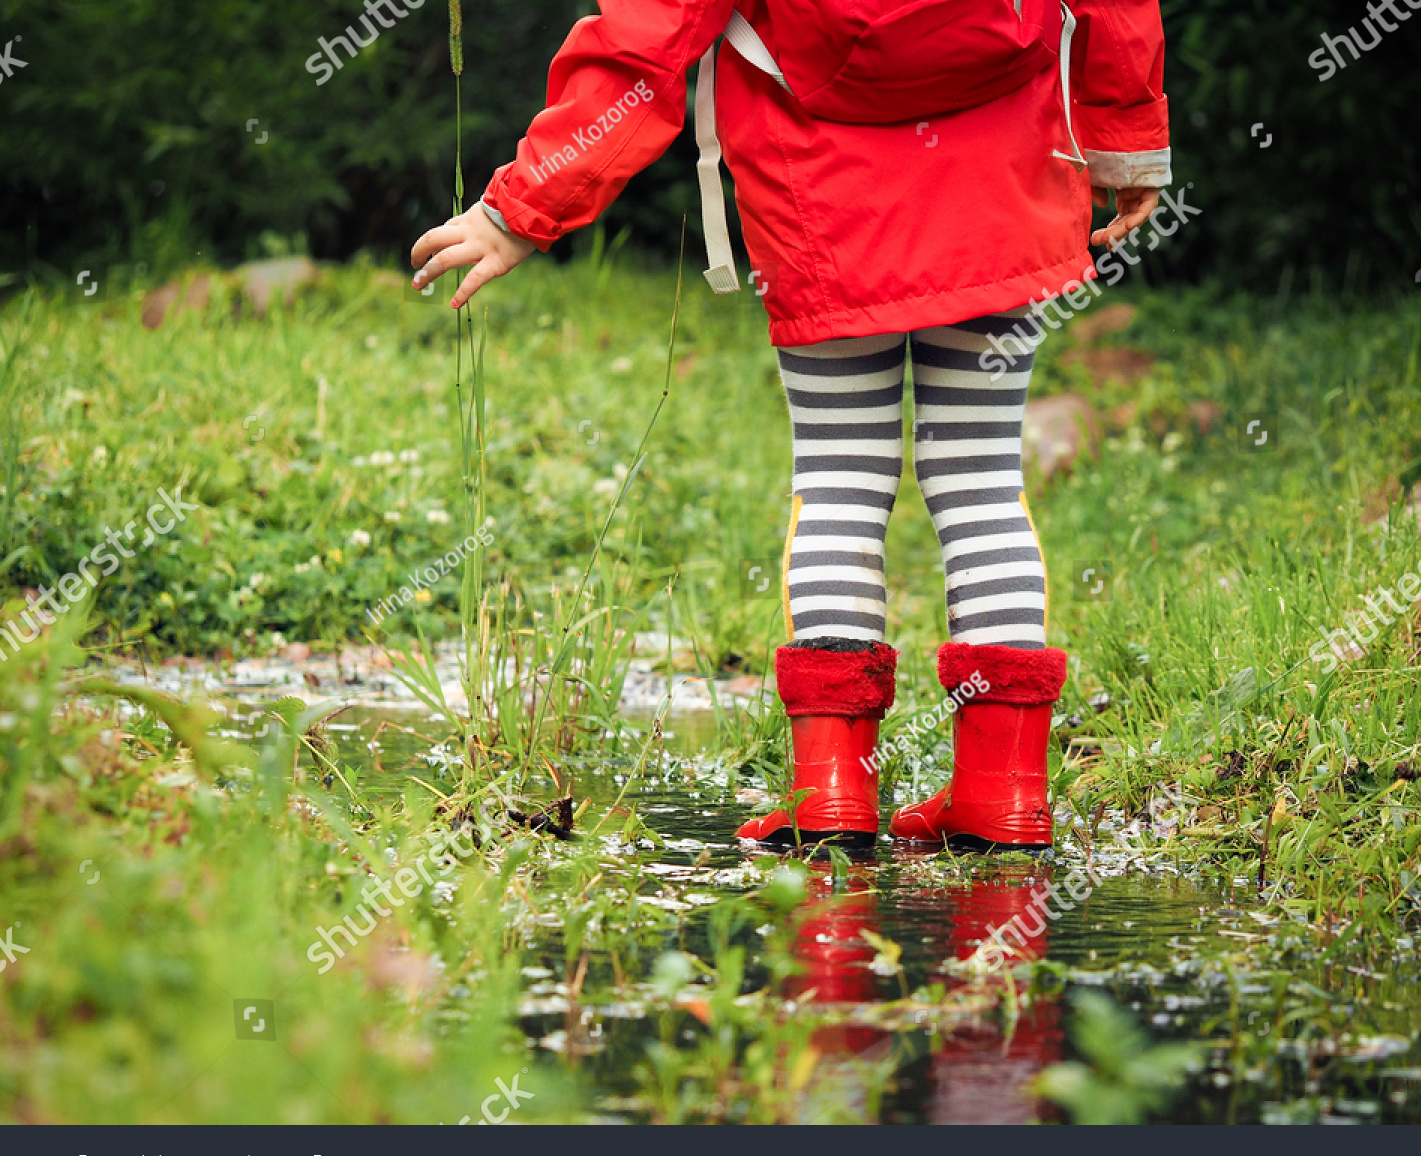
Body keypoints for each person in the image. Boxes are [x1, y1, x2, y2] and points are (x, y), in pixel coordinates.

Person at [411, 0, 1173, 851]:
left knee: (841, 482)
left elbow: (649, 36)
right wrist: (1125, 137)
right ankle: (1004, 796)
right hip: (1005, 169)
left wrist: (522, 205)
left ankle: (833, 796)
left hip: (819, 183)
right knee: (982, 482)